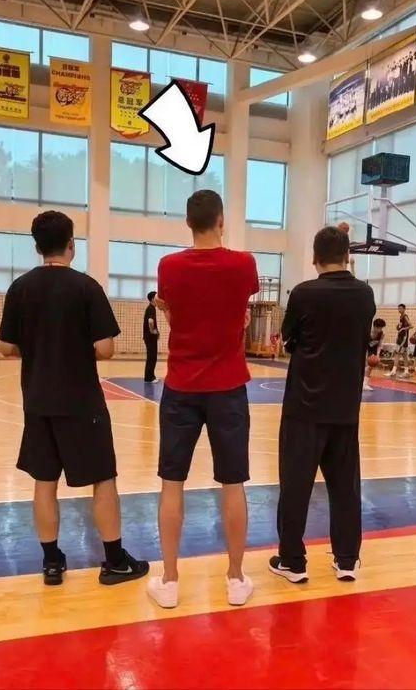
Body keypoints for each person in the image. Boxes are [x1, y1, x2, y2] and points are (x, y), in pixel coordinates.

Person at [0, 210, 148, 587]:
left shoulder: (19, 288)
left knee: (44, 480)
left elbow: (5, 347)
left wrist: (39, 349)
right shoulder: (86, 287)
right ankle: (115, 561)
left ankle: (51, 562)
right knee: (103, 479)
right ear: (71, 245)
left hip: (37, 400)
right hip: (82, 402)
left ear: (37, 247)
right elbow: (106, 348)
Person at [147, 190, 259, 610]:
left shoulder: (169, 266)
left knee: (171, 482)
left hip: (181, 386)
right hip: (228, 387)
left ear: (188, 222)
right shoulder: (244, 264)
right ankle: (235, 577)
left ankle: (169, 580)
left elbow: (175, 315)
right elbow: (239, 311)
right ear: (221, 221)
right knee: (233, 483)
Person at [270, 227, 375, 584]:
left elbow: (288, 340)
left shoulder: (303, 293)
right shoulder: (365, 294)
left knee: (295, 486)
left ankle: (292, 561)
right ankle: (346, 559)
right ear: (348, 256)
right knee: (345, 487)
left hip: (304, 407)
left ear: (314, 257)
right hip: (345, 409)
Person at [386, 304, 411, 378]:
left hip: (403, 339)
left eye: (401, 308)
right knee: (404, 355)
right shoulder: (401, 317)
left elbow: (411, 326)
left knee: (397, 354)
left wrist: (403, 329)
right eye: (398, 308)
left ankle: (393, 371)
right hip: (401, 338)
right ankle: (406, 372)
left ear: (404, 309)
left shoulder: (405, 316)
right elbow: (401, 327)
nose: (399, 310)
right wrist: (398, 327)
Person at [363, 317, 386, 391]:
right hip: (364, 349)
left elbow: (380, 345)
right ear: (375, 327)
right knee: (363, 366)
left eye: (381, 328)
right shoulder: (367, 332)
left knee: (370, 366)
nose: (380, 330)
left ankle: (365, 384)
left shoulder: (381, 334)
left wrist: (377, 355)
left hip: (373, 350)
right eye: (379, 328)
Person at [143, 291, 159, 384]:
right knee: (152, 357)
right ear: (153, 299)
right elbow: (150, 321)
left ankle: (149, 376)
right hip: (150, 337)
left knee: (151, 357)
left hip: (149, 337)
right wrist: (152, 331)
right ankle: (150, 377)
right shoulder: (151, 308)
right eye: (156, 297)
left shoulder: (151, 308)